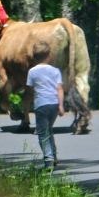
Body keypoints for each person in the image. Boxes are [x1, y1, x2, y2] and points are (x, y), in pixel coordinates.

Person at [25, 41, 65, 170]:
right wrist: (61, 105)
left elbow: (29, 89)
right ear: (49, 55)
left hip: (41, 104)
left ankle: (48, 160)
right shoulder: (55, 71)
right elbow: (59, 89)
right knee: (48, 129)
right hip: (54, 104)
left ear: (34, 57)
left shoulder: (32, 72)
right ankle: (53, 154)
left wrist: (32, 100)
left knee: (42, 133)